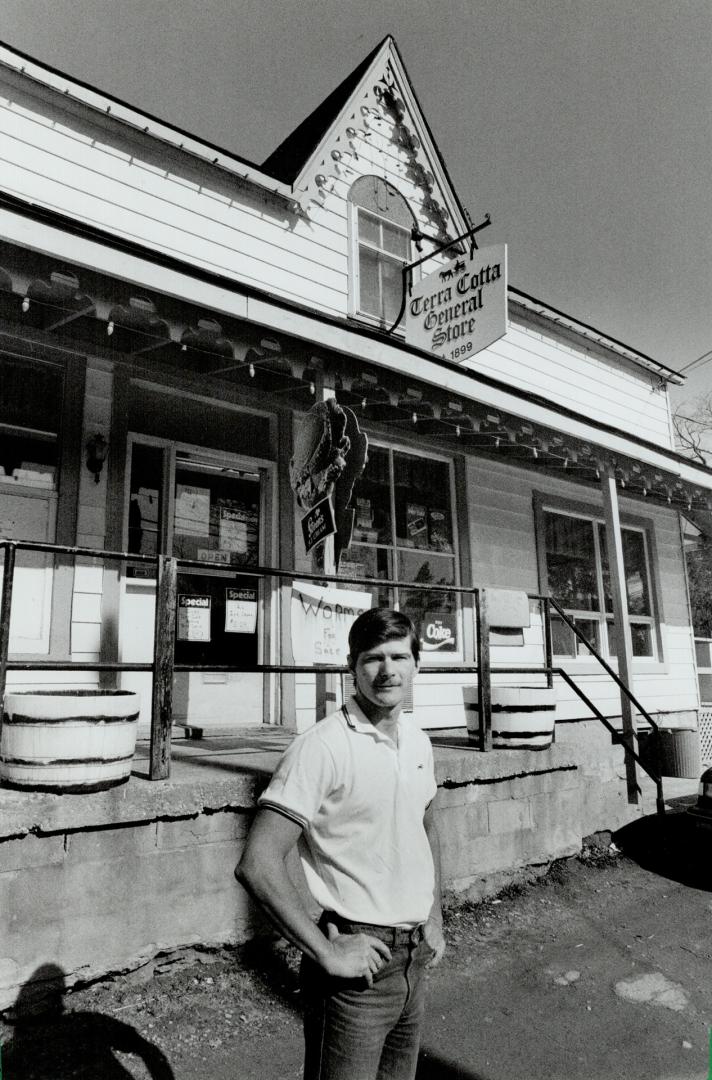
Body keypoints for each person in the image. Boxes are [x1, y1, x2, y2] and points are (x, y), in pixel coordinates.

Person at [236, 607, 445, 1080]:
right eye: (373, 659)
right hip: (355, 969)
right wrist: (325, 952)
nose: (387, 671)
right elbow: (258, 862)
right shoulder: (322, 747)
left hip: (412, 963)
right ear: (351, 667)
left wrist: (434, 916)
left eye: (399, 657)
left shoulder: (419, 742)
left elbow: (426, 826)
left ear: (417, 665)